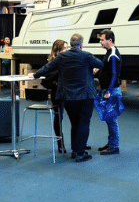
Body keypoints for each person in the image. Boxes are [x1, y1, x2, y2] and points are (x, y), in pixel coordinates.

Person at [32, 33, 103, 163]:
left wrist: (35, 75)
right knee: (84, 123)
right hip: (85, 95)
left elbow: (47, 68)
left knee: (75, 123)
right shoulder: (86, 56)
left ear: (70, 44)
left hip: (68, 96)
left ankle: (75, 150)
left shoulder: (62, 56)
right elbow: (101, 64)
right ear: (81, 45)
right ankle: (80, 153)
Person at [40, 39, 69, 154]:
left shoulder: (69, 60)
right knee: (59, 118)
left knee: (75, 119)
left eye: (67, 48)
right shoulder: (51, 62)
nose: (67, 50)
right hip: (57, 93)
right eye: (65, 48)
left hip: (70, 93)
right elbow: (45, 80)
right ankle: (60, 144)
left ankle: (79, 143)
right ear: (58, 50)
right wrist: (57, 84)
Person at [97, 29, 122, 155]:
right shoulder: (108, 52)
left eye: (102, 40)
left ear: (110, 40)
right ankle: (111, 143)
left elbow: (114, 75)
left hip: (112, 91)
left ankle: (114, 147)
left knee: (112, 120)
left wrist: (109, 91)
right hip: (108, 90)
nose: (100, 42)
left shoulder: (113, 54)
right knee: (109, 119)